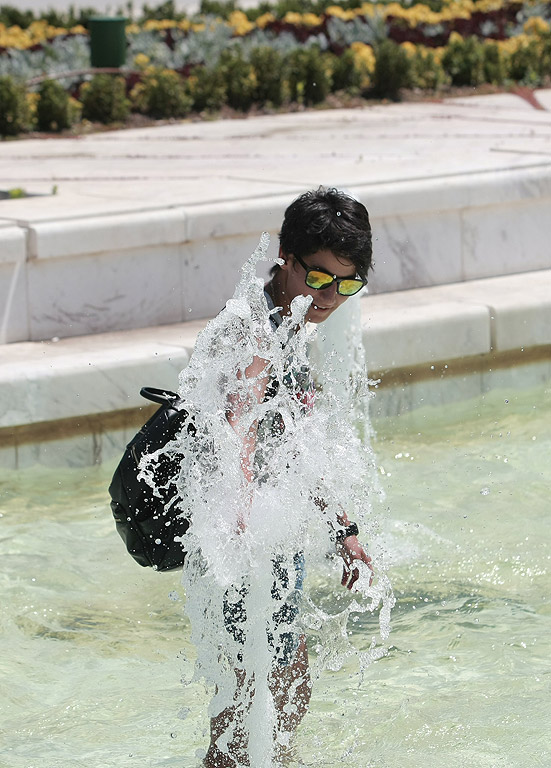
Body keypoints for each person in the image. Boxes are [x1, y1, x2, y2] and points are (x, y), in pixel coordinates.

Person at [201, 187, 375, 767]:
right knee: (254, 697)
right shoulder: (256, 326)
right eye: (320, 278)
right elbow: (239, 417)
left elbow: (300, 445)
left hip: (270, 541)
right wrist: (241, 506)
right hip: (245, 537)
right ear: (285, 256)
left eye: (347, 285)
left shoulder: (291, 321)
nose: (329, 297)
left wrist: (344, 530)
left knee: (283, 690)